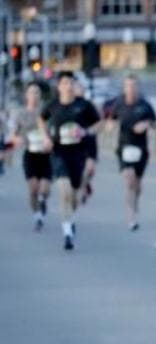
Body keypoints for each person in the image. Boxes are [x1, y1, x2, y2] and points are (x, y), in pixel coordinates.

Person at [39, 70, 101, 251]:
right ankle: (67, 233)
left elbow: (99, 123)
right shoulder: (53, 105)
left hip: (79, 154)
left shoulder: (83, 105)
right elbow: (41, 119)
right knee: (64, 191)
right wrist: (46, 137)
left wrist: (86, 132)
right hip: (59, 153)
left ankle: (70, 219)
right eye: (65, 83)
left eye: (71, 83)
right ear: (59, 87)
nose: (68, 86)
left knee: (73, 197)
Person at [109, 74, 156, 231]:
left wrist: (146, 124)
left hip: (141, 148)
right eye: (128, 86)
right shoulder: (119, 104)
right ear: (124, 88)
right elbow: (111, 120)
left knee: (137, 184)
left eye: (134, 85)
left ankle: (136, 199)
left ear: (138, 87)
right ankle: (131, 219)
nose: (131, 89)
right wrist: (111, 126)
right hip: (124, 147)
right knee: (129, 180)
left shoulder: (145, 105)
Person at [12, 83, 52, 232]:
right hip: (30, 154)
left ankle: (43, 200)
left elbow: (54, 129)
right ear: (26, 95)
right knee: (33, 189)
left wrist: (50, 140)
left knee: (45, 189)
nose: (34, 95)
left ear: (40, 96)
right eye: (31, 92)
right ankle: (37, 216)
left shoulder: (46, 112)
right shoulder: (21, 114)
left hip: (46, 154)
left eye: (37, 93)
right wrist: (18, 140)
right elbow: (14, 135)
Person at [72, 81, 98, 205]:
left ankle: (85, 184)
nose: (80, 90)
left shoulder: (88, 105)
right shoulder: (67, 105)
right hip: (74, 144)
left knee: (89, 169)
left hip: (89, 141)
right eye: (77, 88)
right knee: (78, 171)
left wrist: (89, 131)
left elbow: (98, 122)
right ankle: (82, 188)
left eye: (81, 88)